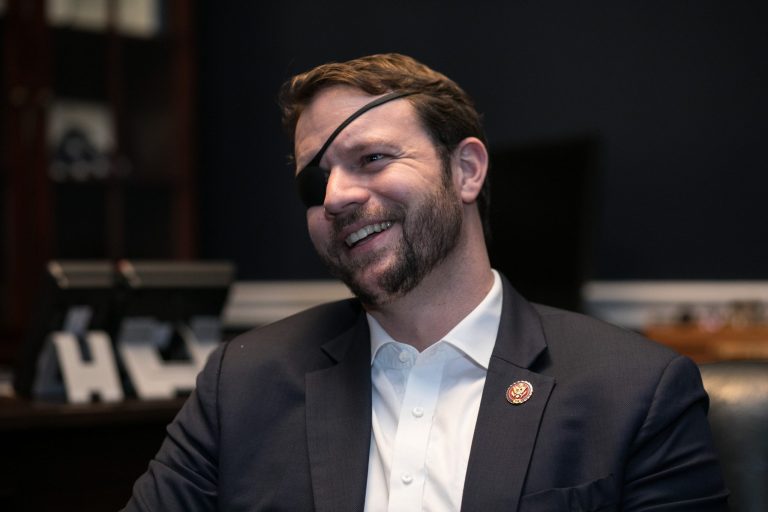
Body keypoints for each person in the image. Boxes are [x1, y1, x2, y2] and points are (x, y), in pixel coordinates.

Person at [123, 53, 728, 511]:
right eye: (315, 182)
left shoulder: (635, 393)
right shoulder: (243, 384)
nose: (335, 198)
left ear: (466, 170)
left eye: (372, 159)